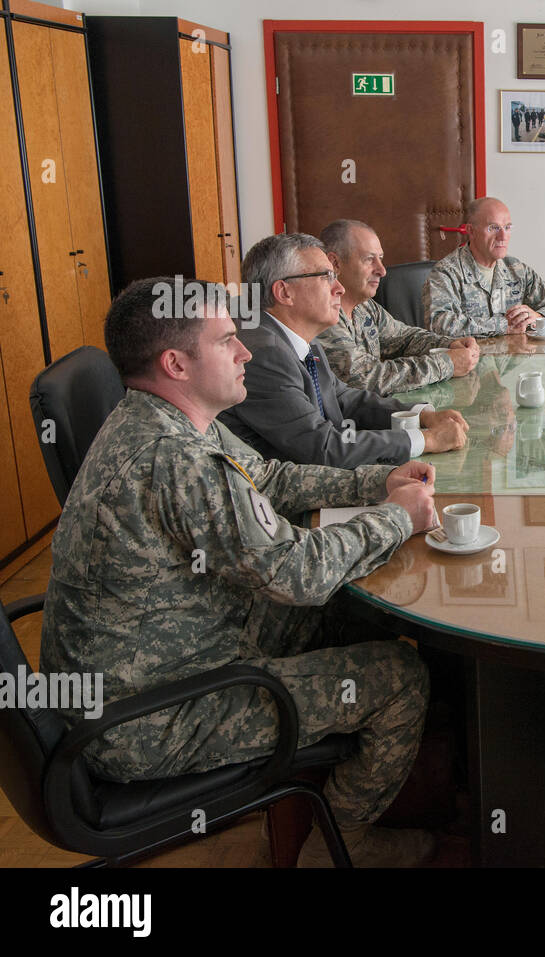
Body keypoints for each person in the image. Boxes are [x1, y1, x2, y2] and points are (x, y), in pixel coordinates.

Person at [39, 278, 443, 867]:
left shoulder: (168, 416)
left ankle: (325, 804)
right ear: (176, 362)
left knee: (351, 611)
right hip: (151, 718)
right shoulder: (174, 458)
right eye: (227, 339)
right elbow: (294, 572)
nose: (246, 351)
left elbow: (271, 479)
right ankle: (341, 849)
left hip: (177, 653)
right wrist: (393, 520)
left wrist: (378, 481)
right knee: (402, 675)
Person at [219, 232, 468, 468]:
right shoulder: (262, 354)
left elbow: (342, 399)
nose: (339, 288)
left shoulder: (295, 333)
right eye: (326, 277)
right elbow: (323, 447)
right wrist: (428, 440)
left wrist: (421, 415)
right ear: (284, 292)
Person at [317, 219, 480, 395]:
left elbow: (405, 338)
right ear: (335, 263)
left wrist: (452, 344)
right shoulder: (322, 314)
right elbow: (366, 379)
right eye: (369, 259)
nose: (382, 270)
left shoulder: (364, 307)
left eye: (380, 259)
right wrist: (447, 364)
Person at [421, 196, 545, 338]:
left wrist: (538, 317)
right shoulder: (447, 272)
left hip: (511, 362)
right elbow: (438, 324)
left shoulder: (516, 270)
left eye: (507, 227)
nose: (503, 236)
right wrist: (504, 325)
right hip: (470, 362)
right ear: (471, 231)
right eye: (493, 228)